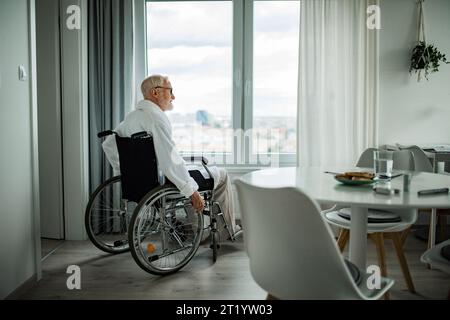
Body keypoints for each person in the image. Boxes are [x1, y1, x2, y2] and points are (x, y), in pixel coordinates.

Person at [102, 74, 240, 240]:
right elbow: (169, 160)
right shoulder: (156, 118)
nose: (173, 97)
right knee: (221, 175)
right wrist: (192, 192)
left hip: (141, 182)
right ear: (155, 93)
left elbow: (109, 144)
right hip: (162, 181)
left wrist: (124, 171)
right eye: (170, 91)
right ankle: (227, 231)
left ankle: (199, 228)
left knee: (187, 175)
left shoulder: (132, 117)